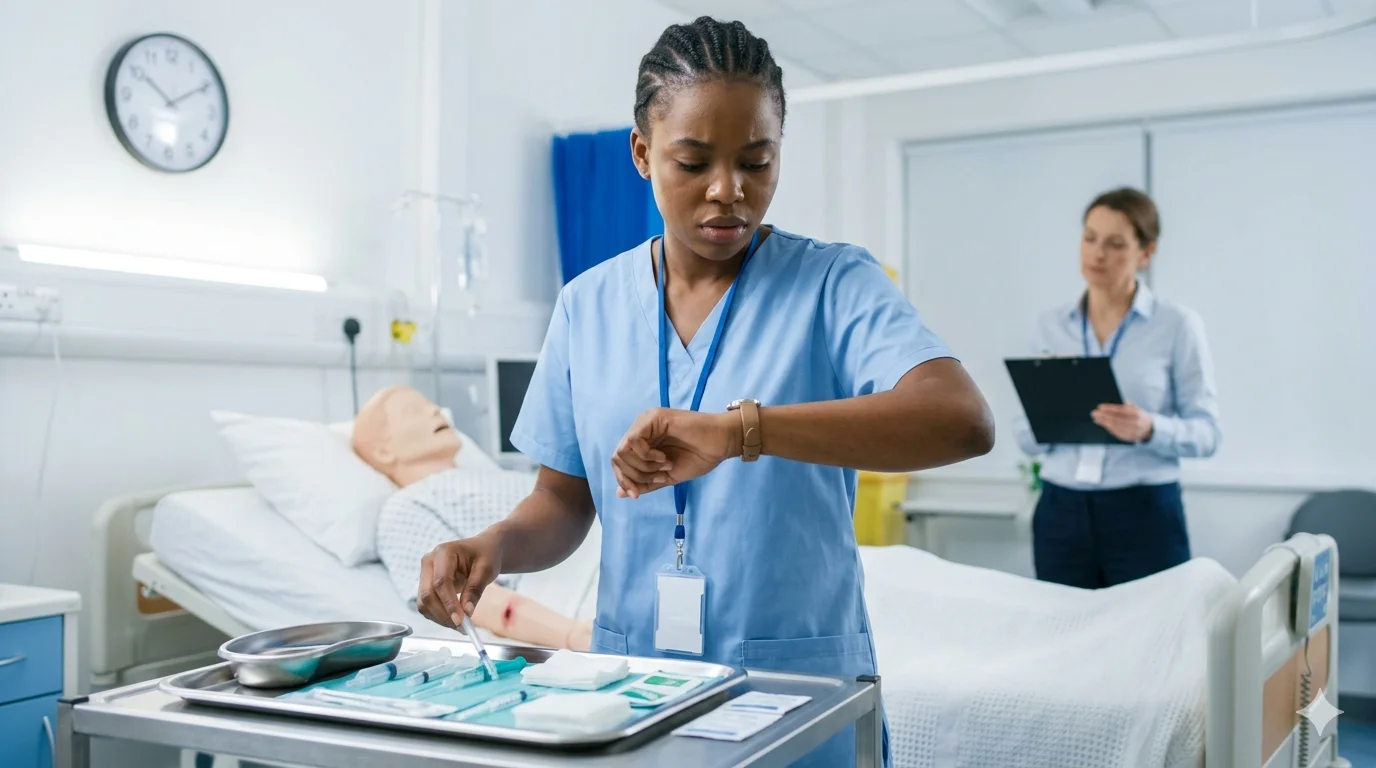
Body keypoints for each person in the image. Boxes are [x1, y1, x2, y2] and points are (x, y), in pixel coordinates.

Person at [416, 17, 994, 766]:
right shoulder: (586, 307)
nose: (730, 192)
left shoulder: (831, 285)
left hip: (796, 687)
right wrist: (493, 545)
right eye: (693, 163)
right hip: (635, 689)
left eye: (757, 161)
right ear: (642, 153)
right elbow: (563, 502)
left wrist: (739, 431)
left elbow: (961, 421)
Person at [1014, 188, 1221, 590]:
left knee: (1153, 642)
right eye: (1089, 238)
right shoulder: (1049, 326)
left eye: (1115, 244)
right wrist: (1049, 418)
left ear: (1146, 253)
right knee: (1064, 636)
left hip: (1144, 513)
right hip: (1062, 511)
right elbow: (1024, 434)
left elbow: (1208, 432)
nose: (1097, 254)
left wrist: (1149, 428)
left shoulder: (1177, 325)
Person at [352, 385, 593, 651]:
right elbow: (461, 593)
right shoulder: (404, 508)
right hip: (571, 572)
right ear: (383, 451)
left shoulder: (492, 475)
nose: (435, 410)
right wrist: (573, 635)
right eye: (413, 411)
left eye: (430, 404)